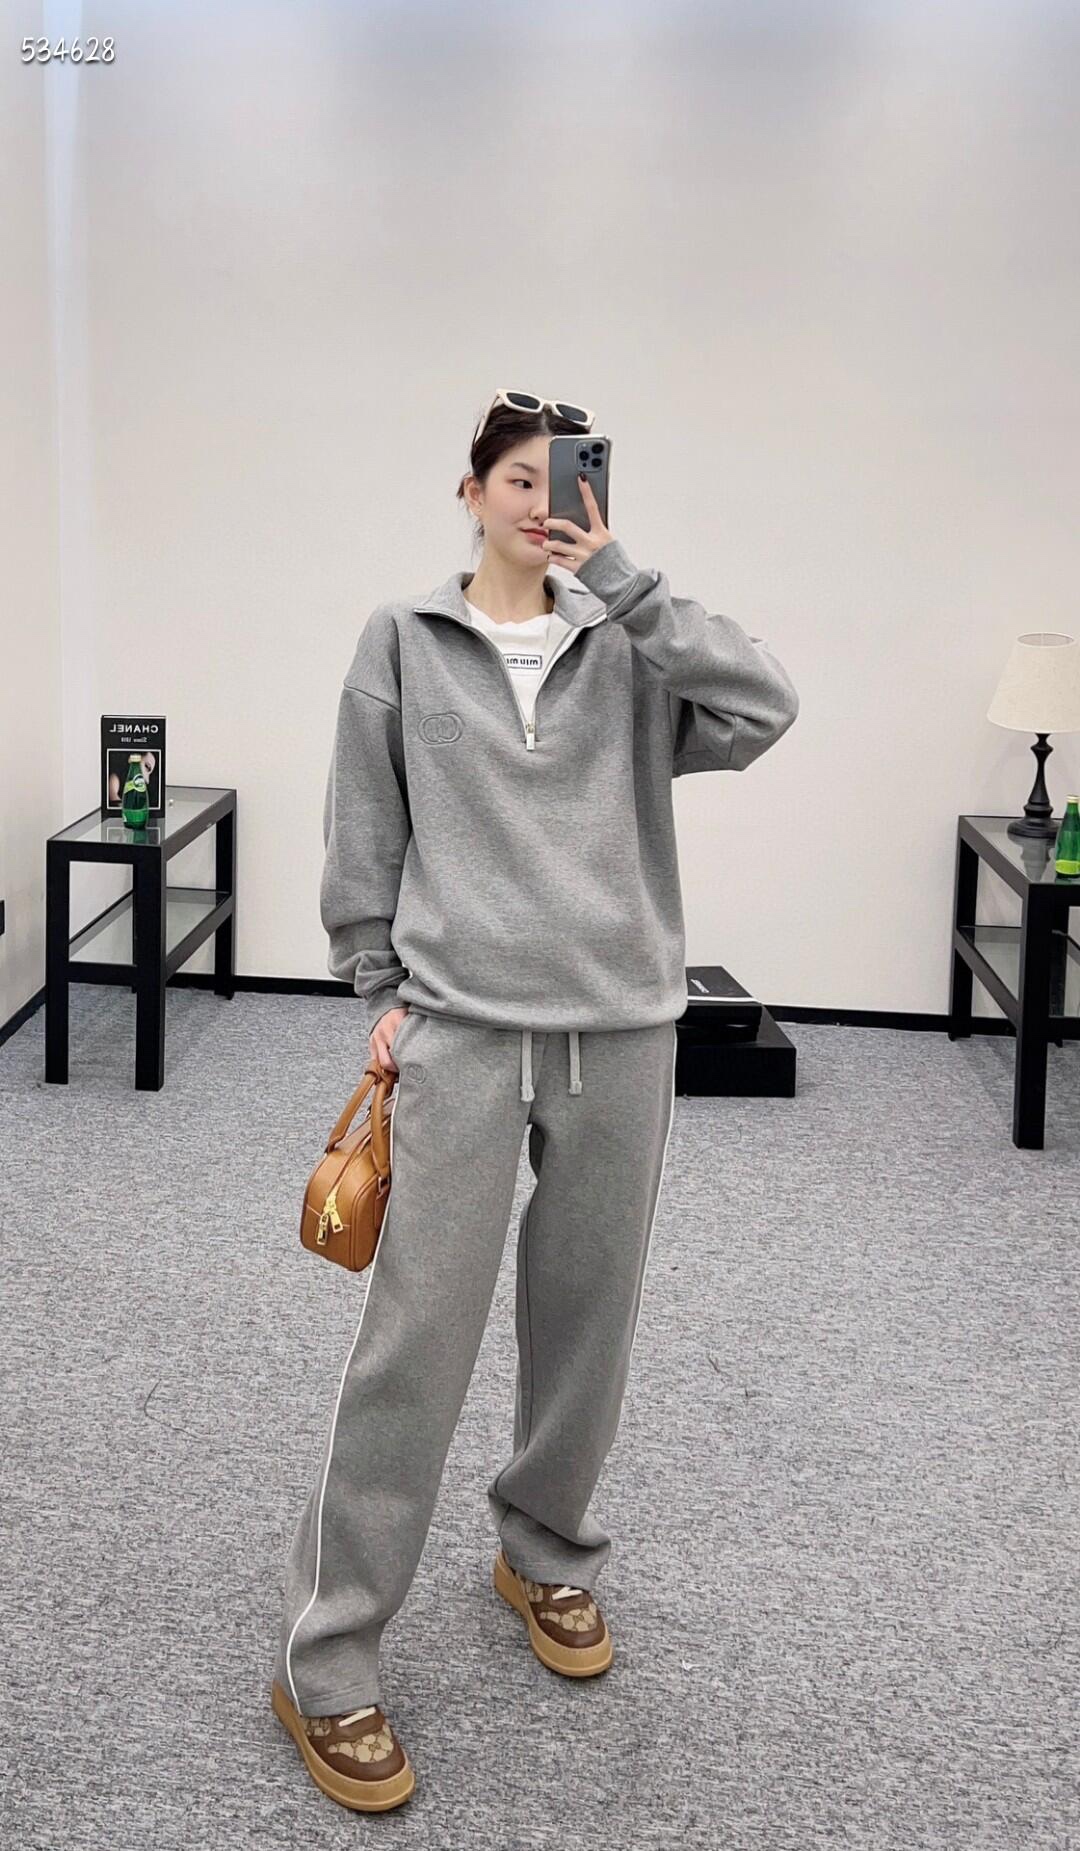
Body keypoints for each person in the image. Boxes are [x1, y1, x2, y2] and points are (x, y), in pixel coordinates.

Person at [271, 389, 800, 1811]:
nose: (538, 502)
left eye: (562, 481)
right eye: (514, 477)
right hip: (461, 1031)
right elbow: (363, 822)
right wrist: (377, 981)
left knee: (587, 1321)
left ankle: (544, 1551)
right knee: (415, 1341)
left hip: (621, 1033)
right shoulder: (400, 639)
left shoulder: (630, 644)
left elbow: (765, 705)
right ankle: (329, 1656)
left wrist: (622, 583)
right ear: (470, 492)